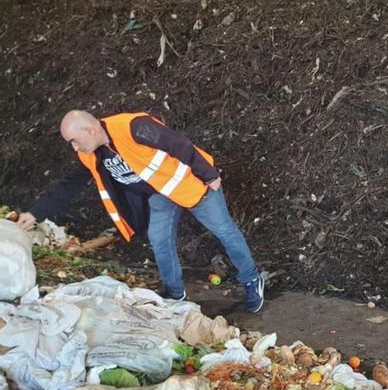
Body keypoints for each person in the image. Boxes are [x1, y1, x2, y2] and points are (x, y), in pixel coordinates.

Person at [16, 110, 266, 312]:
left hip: (193, 185)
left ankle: (252, 280)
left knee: (225, 231)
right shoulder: (90, 155)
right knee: (159, 241)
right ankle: (174, 294)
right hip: (160, 194)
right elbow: (69, 184)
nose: (74, 148)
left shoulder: (132, 126)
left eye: (74, 141)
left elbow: (177, 144)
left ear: (90, 130)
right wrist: (37, 212)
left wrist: (209, 174)